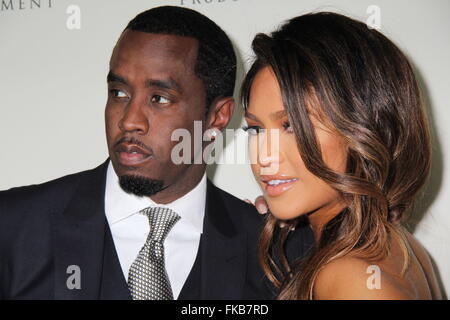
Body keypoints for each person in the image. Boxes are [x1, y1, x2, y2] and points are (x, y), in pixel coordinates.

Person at [0, 6, 314, 300]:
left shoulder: (283, 252)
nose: (129, 121)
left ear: (218, 116)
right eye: (119, 93)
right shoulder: (13, 227)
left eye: (159, 99)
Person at [241, 12, 442, 299]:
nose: (264, 157)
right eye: (256, 129)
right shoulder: (401, 246)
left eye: (292, 126)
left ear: (362, 127)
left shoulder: (352, 278)